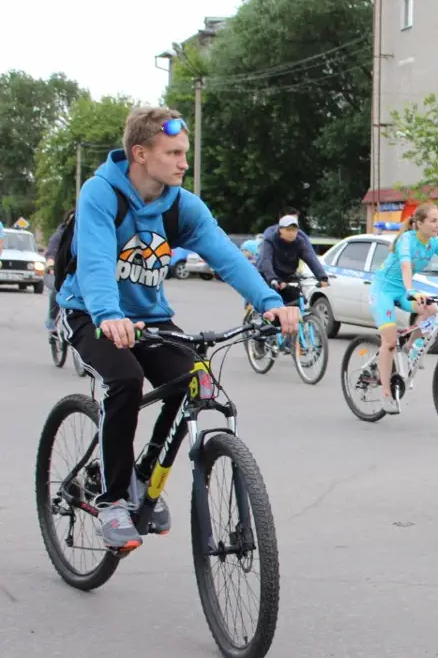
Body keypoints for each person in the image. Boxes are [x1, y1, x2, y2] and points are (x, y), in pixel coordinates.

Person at [58, 106, 299, 551]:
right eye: (173, 152)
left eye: (184, 152)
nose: (183, 162)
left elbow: (226, 257)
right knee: (125, 379)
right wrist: (109, 315)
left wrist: (270, 303)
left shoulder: (182, 206)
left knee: (192, 379)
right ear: (140, 154)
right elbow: (93, 263)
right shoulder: (100, 194)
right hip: (90, 313)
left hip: (149, 318)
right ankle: (113, 500)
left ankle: (143, 476)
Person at [367, 202, 438, 414]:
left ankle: (411, 347)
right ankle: (386, 394)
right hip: (383, 290)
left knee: (431, 310)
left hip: (403, 290)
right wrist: (411, 290)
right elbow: (405, 266)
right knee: (390, 342)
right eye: (433, 220)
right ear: (419, 223)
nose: (437, 225)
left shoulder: (435, 243)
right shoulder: (406, 240)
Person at [255, 209, 329, 303]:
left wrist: (322, 277)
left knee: (296, 299)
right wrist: (273, 279)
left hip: (287, 277)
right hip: (269, 276)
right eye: (288, 230)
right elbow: (266, 261)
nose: (291, 233)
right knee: (273, 302)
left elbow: (311, 259)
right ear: (280, 229)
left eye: (294, 230)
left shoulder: (300, 242)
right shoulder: (269, 241)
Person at [44, 216, 68, 335]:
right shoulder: (59, 235)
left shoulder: (84, 234)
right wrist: (51, 265)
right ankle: (51, 318)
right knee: (55, 288)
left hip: (73, 273)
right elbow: (51, 253)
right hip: (56, 271)